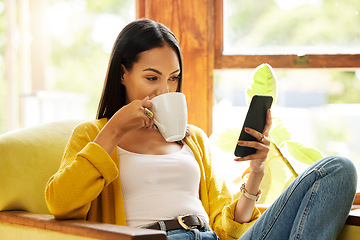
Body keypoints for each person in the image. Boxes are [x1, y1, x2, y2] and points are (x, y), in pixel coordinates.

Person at [45, 18, 357, 240]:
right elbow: (60, 203)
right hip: (155, 237)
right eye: (151, 78)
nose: (165, 91)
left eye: (173, 78)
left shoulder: (193, 138)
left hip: (208, 236)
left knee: (337, 169)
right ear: (123, 74)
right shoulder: (93, 135)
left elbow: (225, 226)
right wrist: (113, 131)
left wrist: (256, 173)